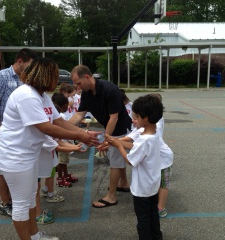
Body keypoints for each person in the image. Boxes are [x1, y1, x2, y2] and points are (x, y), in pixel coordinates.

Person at [0, 58, 98, 240]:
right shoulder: (27, 95)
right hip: (14, 156)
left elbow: (60, 121)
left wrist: (83, 132)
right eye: (54, 77)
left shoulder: (41, 96)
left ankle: (35, 236)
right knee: (21, 205)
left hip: (28, 154)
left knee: (31, 198)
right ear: (44, 76)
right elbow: (45, 128)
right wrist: (80, 136)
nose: (57, 81)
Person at [68, 65, 132, 208]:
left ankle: (111, 197)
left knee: (115, 162)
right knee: (117, 158)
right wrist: (64, 128)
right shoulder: (86, 93)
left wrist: (105, 140)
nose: (77, 88)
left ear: (87, 77)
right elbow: (79, 114)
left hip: (121, 129)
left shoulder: (110, 90)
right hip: (111, 128)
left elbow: (113, 118)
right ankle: (124, 183)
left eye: (78, 83)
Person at [0, 48, 39, 217]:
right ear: (20, 61)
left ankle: (16, 200)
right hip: (0, 131)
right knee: (0, 169)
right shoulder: (2, 76)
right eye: (29, 65)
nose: (30, 69)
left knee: (15, 166)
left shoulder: (25, 80)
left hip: (17, 133)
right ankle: (6, 203)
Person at [106, 94, 164, 240]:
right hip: (152, 184)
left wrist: (119, 145)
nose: (134, 120)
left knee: (143, 219)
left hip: (142, 189)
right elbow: (134, 144)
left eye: (136, 117)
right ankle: (157, 237)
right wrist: (116, 141)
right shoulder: (155, 134)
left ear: (145, 118)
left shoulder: (144, 140)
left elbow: (130, 160)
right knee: (153, 215)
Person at [52, 93, 79, 187]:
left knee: (65, 161)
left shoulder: (60, 116)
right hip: (63, 142)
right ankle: (60, 178)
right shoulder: (61, 116)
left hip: (64, 141)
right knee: (61, 161)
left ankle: (66, 175)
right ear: (64, 105)